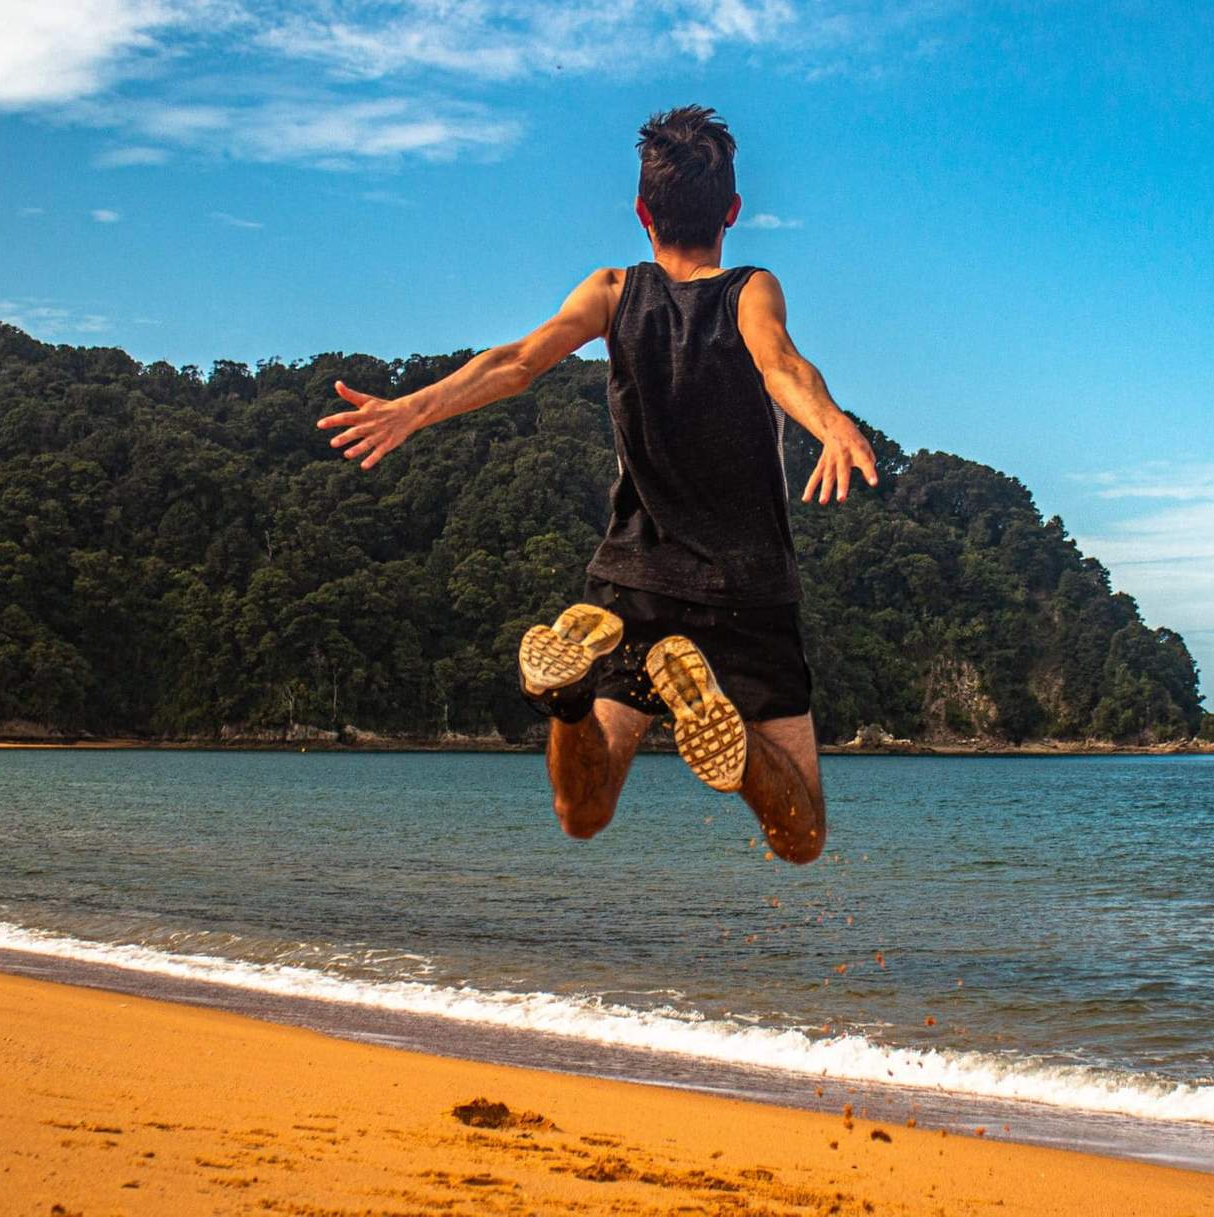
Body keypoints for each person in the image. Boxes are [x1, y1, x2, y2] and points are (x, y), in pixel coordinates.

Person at [315, 105, 878, 865]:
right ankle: (731, 737)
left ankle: (568, 699)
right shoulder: (750, 290)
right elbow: (781, 363)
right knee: (800, 836)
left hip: (631, 584)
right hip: (748, 590)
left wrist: (413, 408)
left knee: (582, 811)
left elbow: (517, 360)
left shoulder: (614, 291)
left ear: (643, 212)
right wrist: (833, 422)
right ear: (733, 213)